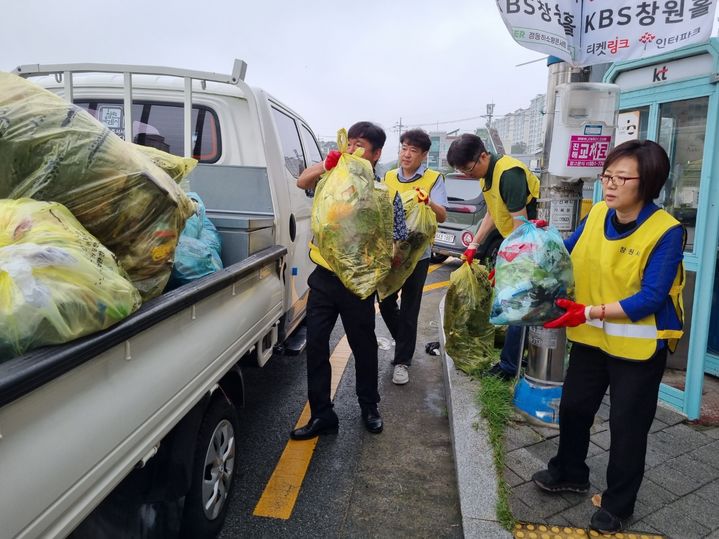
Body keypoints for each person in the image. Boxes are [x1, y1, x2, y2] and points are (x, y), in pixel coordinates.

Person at [531, 140, 685, 534]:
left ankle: (619, 503)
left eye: (621, 177)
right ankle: (569, 472)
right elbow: (567, 252)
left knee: (627, 426)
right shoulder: (598, 212)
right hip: (591, 338)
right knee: (575, 408)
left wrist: (590, 312)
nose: (610, 185)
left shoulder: (666, 231)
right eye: (606, 176)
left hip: (637, 347)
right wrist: (532, 254)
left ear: (647, 183)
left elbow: (651, 296)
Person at [290, 121, 387, 440]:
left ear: (376, 155)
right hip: (324, 278)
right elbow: (301, 180)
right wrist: (326, 162)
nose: (354, 149)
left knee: (364, 346)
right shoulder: (331, 177)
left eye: (362, 146)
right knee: (316, 344)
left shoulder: (379, 190)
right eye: (352, 142)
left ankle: (369, 406)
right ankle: (322, 414)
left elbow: (391, 238)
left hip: (358, 283)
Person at [446, 133, 541, 380]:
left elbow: (520, 226)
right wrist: (474, 245)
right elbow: (492, 212)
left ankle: (509, 367)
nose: (467, 175)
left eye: (468, 169)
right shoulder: (486, 176)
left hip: (529, 247)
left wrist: (509, 261)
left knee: (518, 305)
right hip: (517, 245)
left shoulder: (509, 174)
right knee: (517, 305)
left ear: (483, 156)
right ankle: (521, 356)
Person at [380, 129, 447, 385]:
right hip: (391, 252)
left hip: (418, 254)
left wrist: (428, 201)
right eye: (404, 148)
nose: (407, 154)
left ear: (424, 155)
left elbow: (442, 216)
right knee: (385, 300)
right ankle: (404, 344)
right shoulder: (388, 176)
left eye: (413, 150)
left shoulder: (433, 178)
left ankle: (403, 361)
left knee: (410, 308)